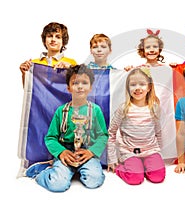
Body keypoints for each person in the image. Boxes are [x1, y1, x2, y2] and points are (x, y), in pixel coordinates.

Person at [25, 64, 109, 192]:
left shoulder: (95, 110)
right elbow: (51, 138)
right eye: (75, 83)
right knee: (58, 185)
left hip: (87, 152)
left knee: (94, 181)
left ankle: (77, 171)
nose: (80, 86)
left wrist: (91, 152)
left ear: (91, 88)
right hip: (66, 151)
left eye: (84, 83)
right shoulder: (61, 111)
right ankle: (41, 173)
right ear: (69, 88)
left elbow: (103, 136)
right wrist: (61, 152)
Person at [107, 67, 166, 185]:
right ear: (128, 88)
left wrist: (158, 151)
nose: (138, 88)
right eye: (133, 84)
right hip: (130, 151)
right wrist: (112, 158)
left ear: (149, 87)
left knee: (158, 177)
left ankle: (144, 166)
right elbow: (111, 133)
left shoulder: (154, 108)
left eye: (142, 84)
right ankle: (124, 168)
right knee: (135, 179)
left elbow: (158, 131)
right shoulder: (124, 109)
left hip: (150, 150)